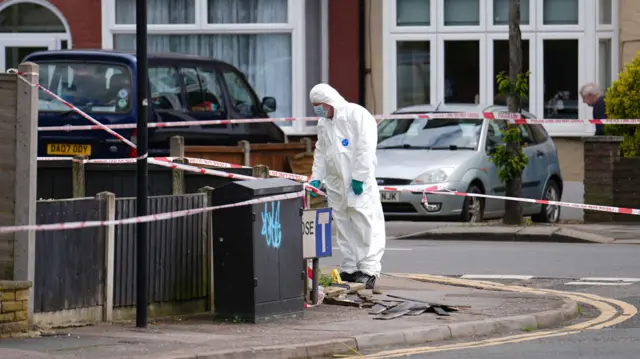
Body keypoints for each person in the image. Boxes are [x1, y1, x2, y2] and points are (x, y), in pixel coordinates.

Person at [307, 83, 386, 289]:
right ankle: (350, 267)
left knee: (365, 223)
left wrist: (360, 176)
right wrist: (316, 176)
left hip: (357, 183)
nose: (318, 109)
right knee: (343, 225)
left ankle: (369, 269)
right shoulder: (324, 124)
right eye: (315, 105)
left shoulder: (357, 115)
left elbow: (365, 148)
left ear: (330, 100)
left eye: (320, 105)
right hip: (335, 184)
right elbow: (321, 152)